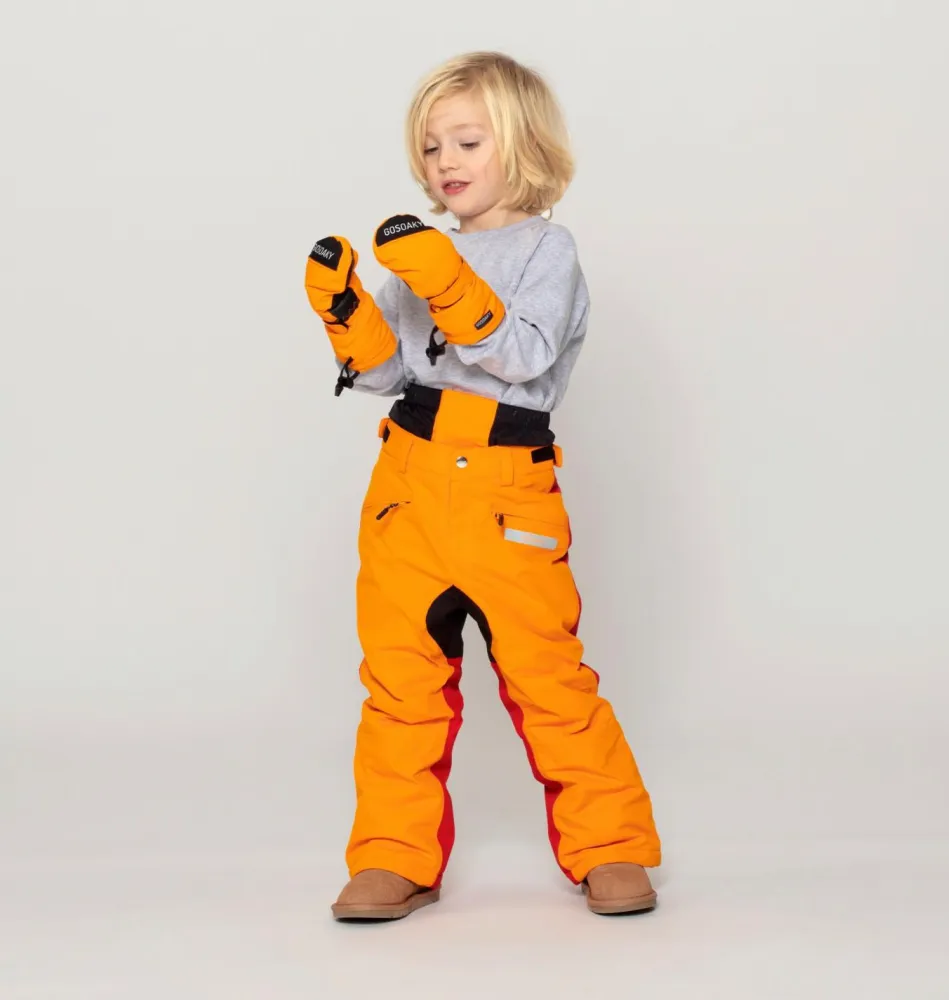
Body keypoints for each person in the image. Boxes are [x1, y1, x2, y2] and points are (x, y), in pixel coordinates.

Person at [304, 51, 661, 920]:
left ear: (523, 144)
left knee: (549, 678)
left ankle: (611, 847)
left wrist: (445, 281)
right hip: (409, 487)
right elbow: (387, 375)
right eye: (431, 148)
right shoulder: (423, 255)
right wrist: (346, 312)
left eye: (467, 141)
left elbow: (525, 354)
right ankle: (392, 858)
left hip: (507, 496)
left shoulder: (546, 249)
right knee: (400, 684)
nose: (445, 162)